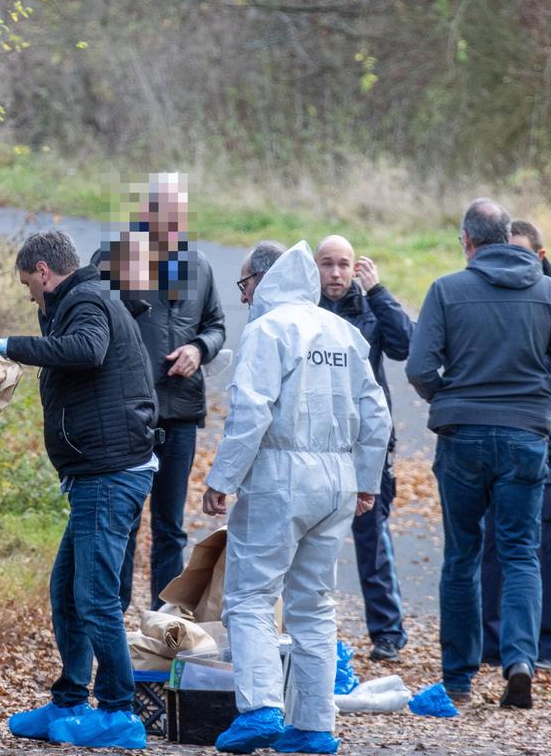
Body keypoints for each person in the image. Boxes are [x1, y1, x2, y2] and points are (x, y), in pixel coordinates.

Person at [203, 240, 391, 755]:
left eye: (245, 285)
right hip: (337, 478)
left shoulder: (269, 330)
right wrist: (367, 481)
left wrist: (223, 478)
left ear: (263, 282)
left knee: (250, 597)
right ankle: (313, 725)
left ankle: (261, 706)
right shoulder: (344, 333)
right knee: (314, 605)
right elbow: (376, 416)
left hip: (280, 473)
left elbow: (251, 412)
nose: (244, 297)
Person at [406, 199, 551, 710]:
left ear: (467, 239)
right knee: (519, 553)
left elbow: (420, 368)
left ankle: (459, 679)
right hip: (526, 442)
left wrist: (448, 399)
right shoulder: (550, 293)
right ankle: (520, 662)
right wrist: (537, 404)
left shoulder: (446, 291)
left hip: (462, 439)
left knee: (462, 554)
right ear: (507, 236)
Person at [0, 230, 158, 750]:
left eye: (28, 284)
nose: (29, 295)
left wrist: (8, 347)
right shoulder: (76, 301)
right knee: (67, 590)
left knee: (95, 597)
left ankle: (118, 713)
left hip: (111, 474)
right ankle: (68, 701)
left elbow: (87, 350)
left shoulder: (86, 298)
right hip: (95, 473)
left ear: (43, 271)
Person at [96, 173, 227, 613]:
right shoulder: (114, 260)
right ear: (144, 212)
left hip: (182, 410)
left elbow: (217, 326)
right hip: (130, 411)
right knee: (125, 521)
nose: (171, 221)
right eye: (161, 211)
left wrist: (198, 347)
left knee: (170, 526)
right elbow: (92, 323)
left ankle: (164, 621)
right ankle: (114, 619)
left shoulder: (201, 265)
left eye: (178, 213)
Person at [481, 220, 551, 670]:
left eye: (522, 253)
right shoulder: (490, 294)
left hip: (548, 436)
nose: (513, 262)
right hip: (497, 436)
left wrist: (535, 402)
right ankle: (496, 644)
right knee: (493, 539)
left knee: (546, 541)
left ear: (540, 256)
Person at [315, 235, 413, 662]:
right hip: (315, 441)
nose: (335, 273)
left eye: (343, 265)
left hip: (367, 441)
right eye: (327, 264)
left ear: (356, 267)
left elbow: (407, 344)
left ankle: (387, 633)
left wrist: (379, 292)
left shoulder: (371, 305)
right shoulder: (304, 310)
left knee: (371, 535)